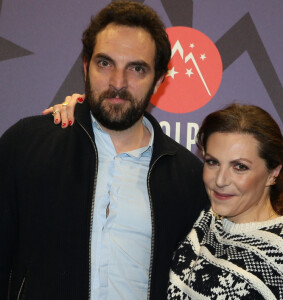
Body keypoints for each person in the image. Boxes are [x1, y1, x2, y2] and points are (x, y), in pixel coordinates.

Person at [0, 1, 209, 300]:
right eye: (105, 63)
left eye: (137, 68)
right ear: (86, 65)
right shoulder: (26, 144)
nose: (117, 83)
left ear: (160, 79)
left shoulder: (188, 178)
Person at [166, 103, 283, 299]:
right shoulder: (201, 223)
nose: (220, 180)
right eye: (212, 162)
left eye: (239, 167)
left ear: (273, 173)